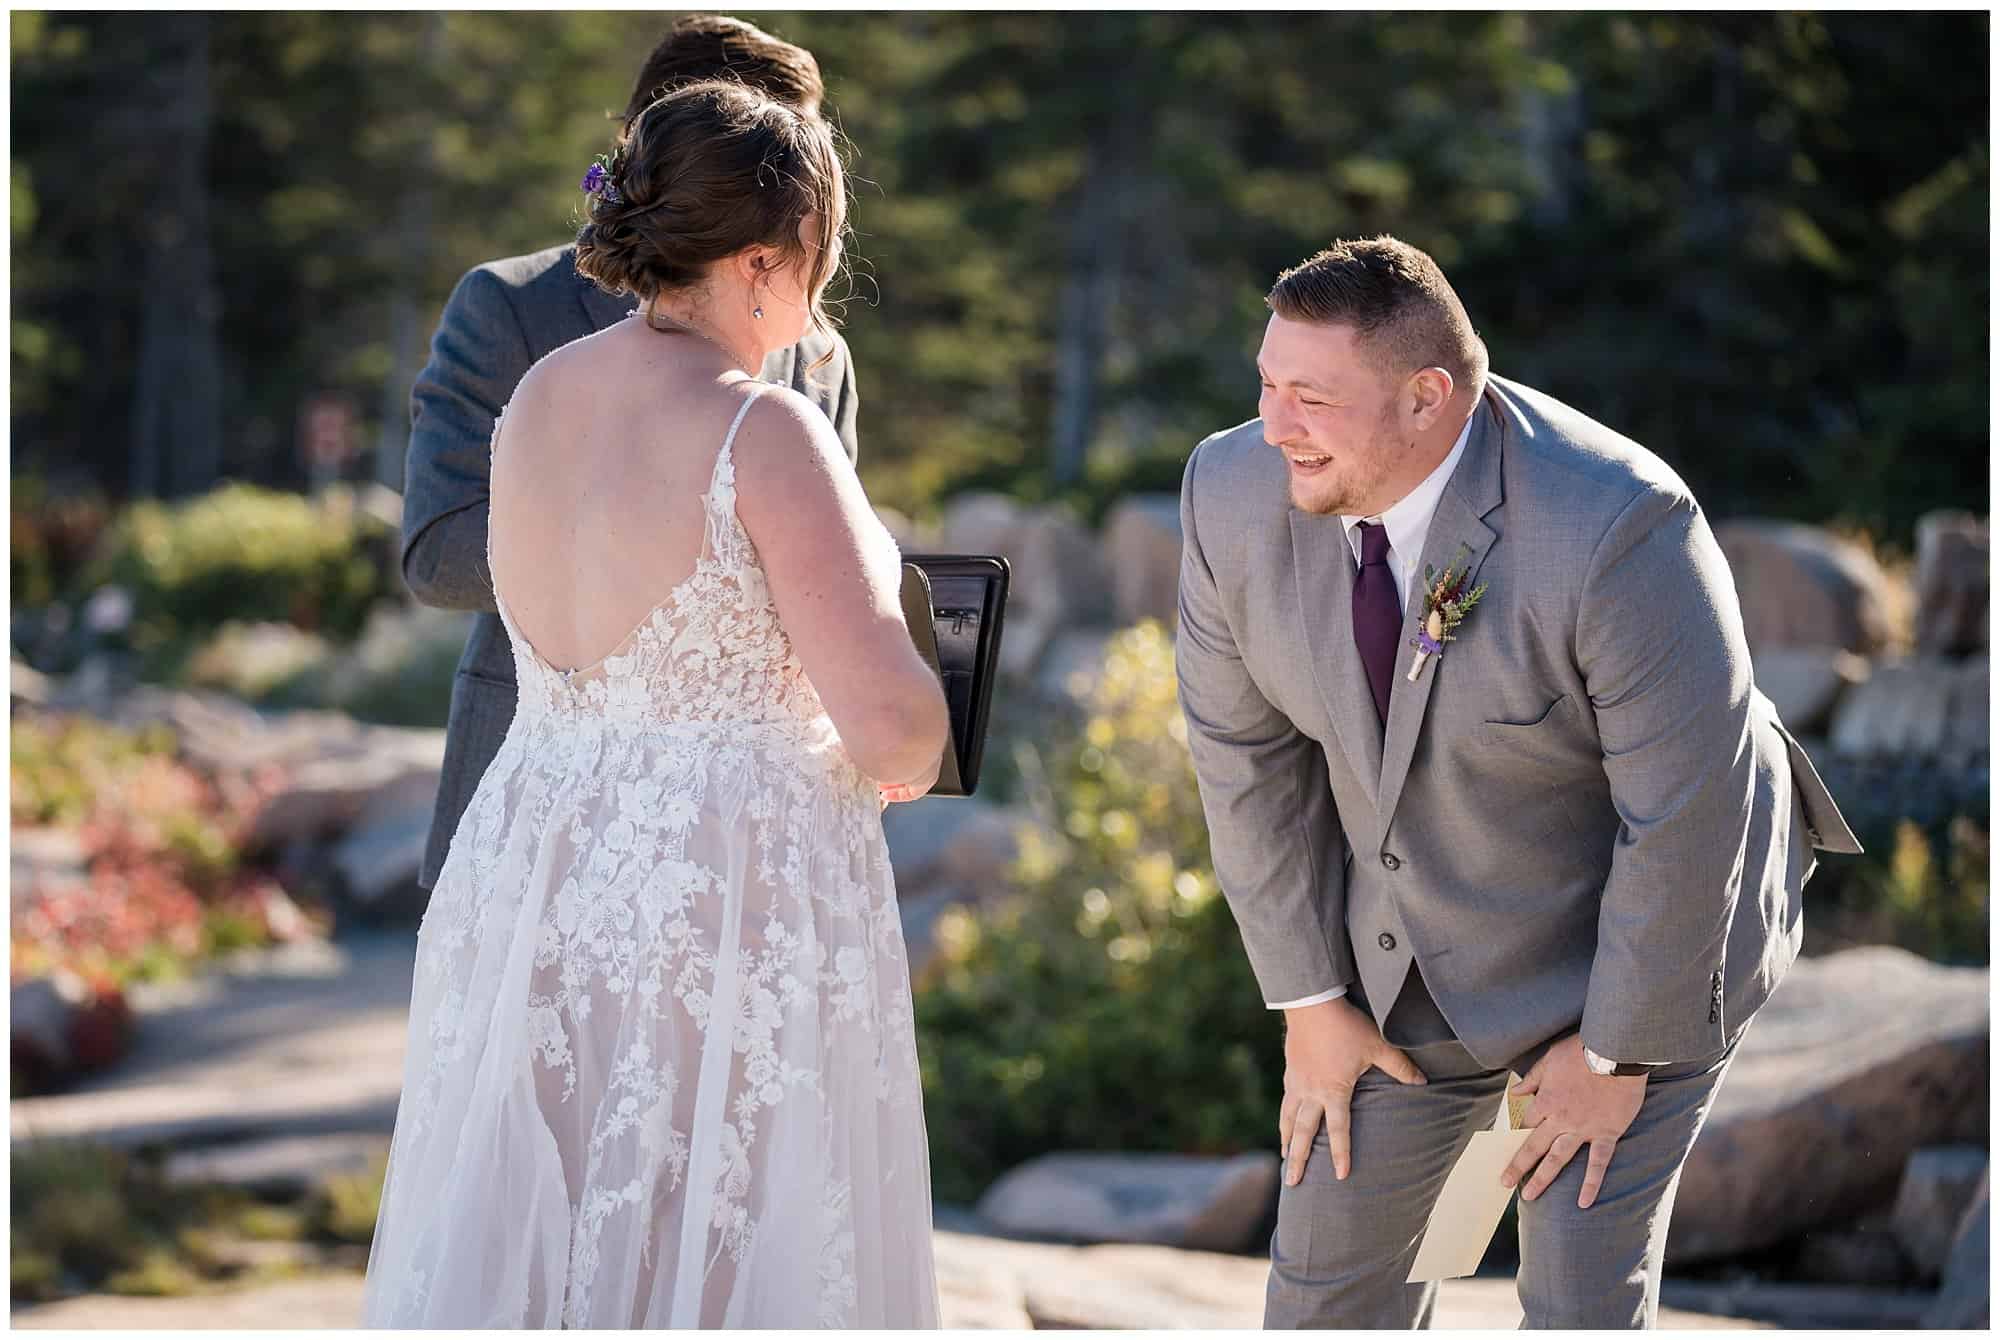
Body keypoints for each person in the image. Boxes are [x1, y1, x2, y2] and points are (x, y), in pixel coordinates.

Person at [1174, 235, 1859, 1328]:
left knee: (1576, 1288)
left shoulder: (1617, 524)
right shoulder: (1228, 487)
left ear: (1424, 397)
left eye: (1310, 396)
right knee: (1323, 1288)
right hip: (1415, 929)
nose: (1272, 425)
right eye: (1265, 383)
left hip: (1650, 931)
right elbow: (1243, 755)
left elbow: (1687, 812)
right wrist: (1309, 1002)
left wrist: (1613, 1048)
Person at [361, 79, 948, 1327]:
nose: (818, 299)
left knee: (563, 1218)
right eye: (815, 264)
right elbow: (897, 726)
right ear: (758, 260)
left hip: (539, 853)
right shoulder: (767, 429)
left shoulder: (540, 402)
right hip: (715, 885)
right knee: (712, 1224)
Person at [400, 14, 860, 898]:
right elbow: (436, 548)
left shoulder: (819, 352)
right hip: (531, 804)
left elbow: (834, 567)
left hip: (742, 834)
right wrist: (652, 564)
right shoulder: (509, 309)